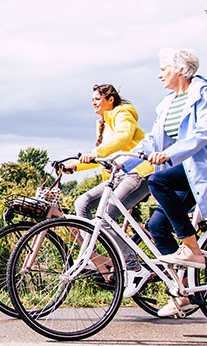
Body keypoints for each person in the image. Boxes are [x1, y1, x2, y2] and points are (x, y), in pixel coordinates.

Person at [120, 48, 207, 317]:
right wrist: (120, 160)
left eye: (163, 69)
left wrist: (169, 153)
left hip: (206, 168)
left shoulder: (204, 93)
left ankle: (192, 248)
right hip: (186, 170)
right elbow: (152, 142)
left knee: (158, 181)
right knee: (156, 226)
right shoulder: (167, 103)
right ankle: (181, 294)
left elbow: (202, 134)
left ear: (179, 69)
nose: (159, 75)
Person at [65, 84, 154, 298]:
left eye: (97, 98)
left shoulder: (123, 114)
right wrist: (76, 165)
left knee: (105, 218)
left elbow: (122, 139)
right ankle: (90, 255)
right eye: (92, 99)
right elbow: (102, 158)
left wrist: (93, 153)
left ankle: (134, 268)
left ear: (110, 99)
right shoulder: (103, 123)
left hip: (138, 173)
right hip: (118, 176)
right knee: (82, 203)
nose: (94, 102)